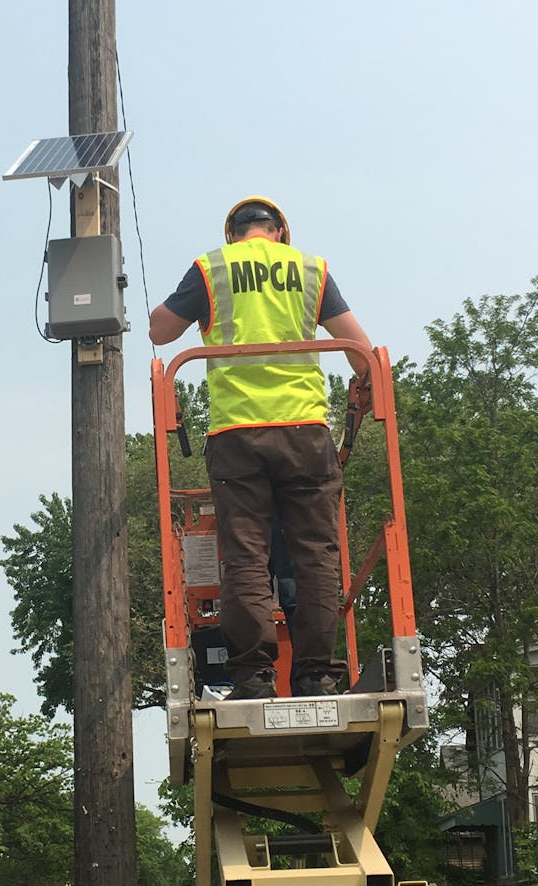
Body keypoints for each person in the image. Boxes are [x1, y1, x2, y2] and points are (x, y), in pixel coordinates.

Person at [149, 196, 373, 700]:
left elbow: (160, 331)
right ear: (280, 233)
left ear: (233, 234)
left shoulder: (212, 268)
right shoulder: (310, 269)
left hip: (237, 435)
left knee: (246, 557)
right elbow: (362, 353)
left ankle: (253, 677)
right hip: (305, 433)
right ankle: (317, 676)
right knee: (316, 554)